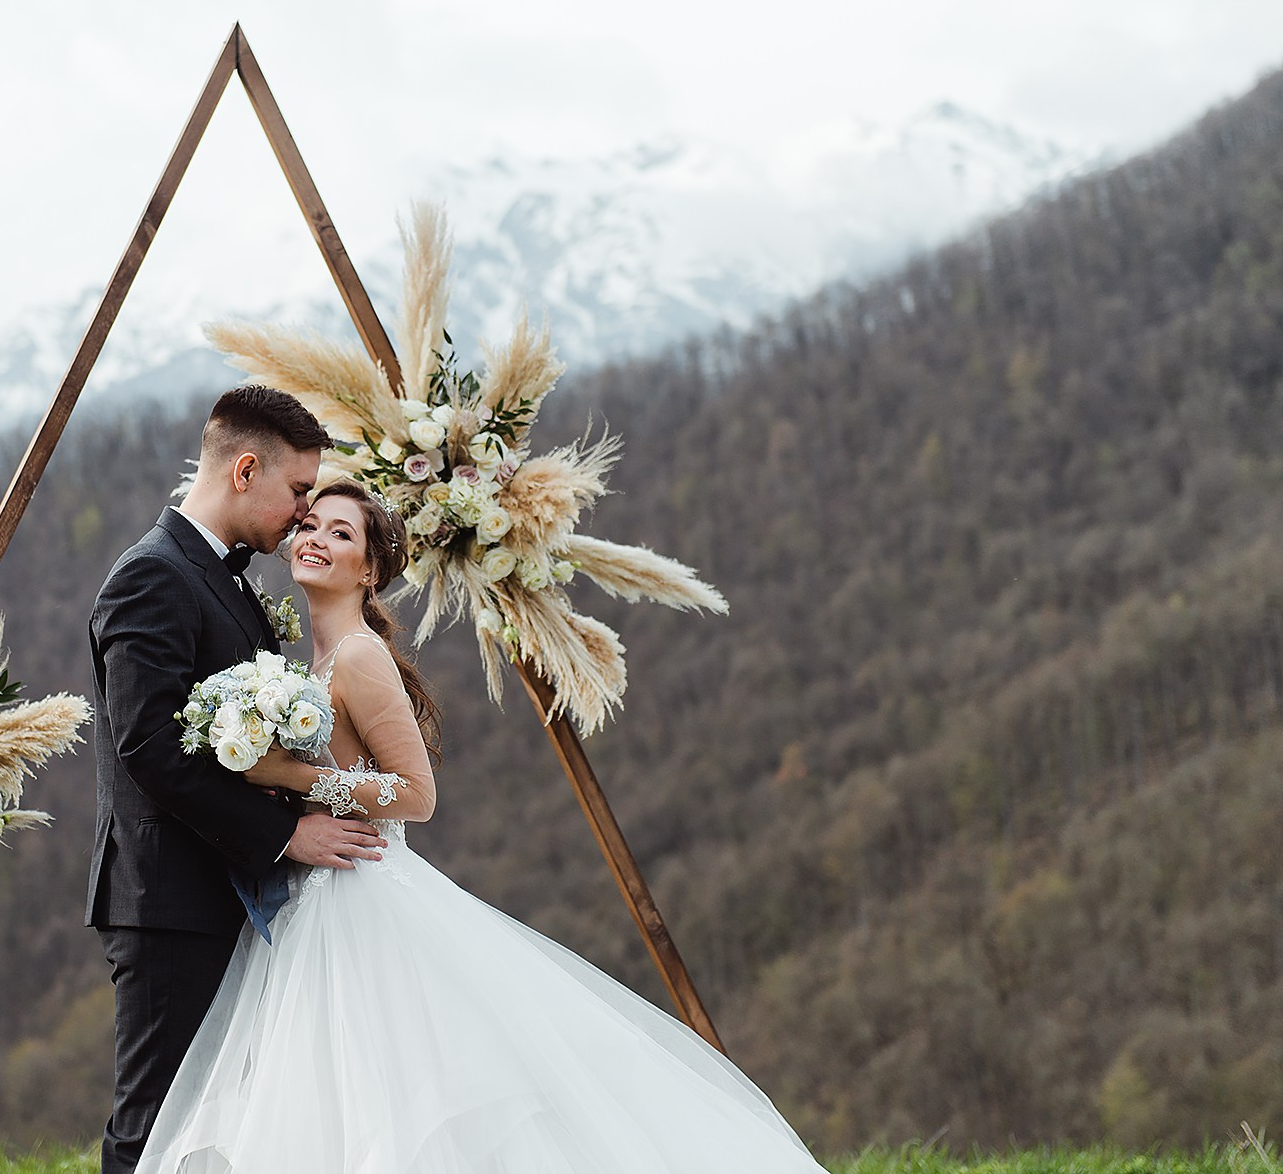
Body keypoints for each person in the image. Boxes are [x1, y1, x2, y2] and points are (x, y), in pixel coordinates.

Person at [134, 479, 832, 1174]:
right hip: (318, 893)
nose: (315, 539)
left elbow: (417, 793)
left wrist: (290, 776)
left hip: (361, 902)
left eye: (341, 533)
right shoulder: (308, 662)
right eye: (310, 525)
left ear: (370, 570)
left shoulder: (358, 656)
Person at [87, 387, 390, 1174]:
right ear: (245, 469)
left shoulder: (226, 579)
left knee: (219, 1131)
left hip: (227, 892)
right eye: (298, 490)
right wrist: (288, 832)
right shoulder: (150, 576)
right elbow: (150, 746)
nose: (304, 513)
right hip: (170, 899)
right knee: (155, 1129)